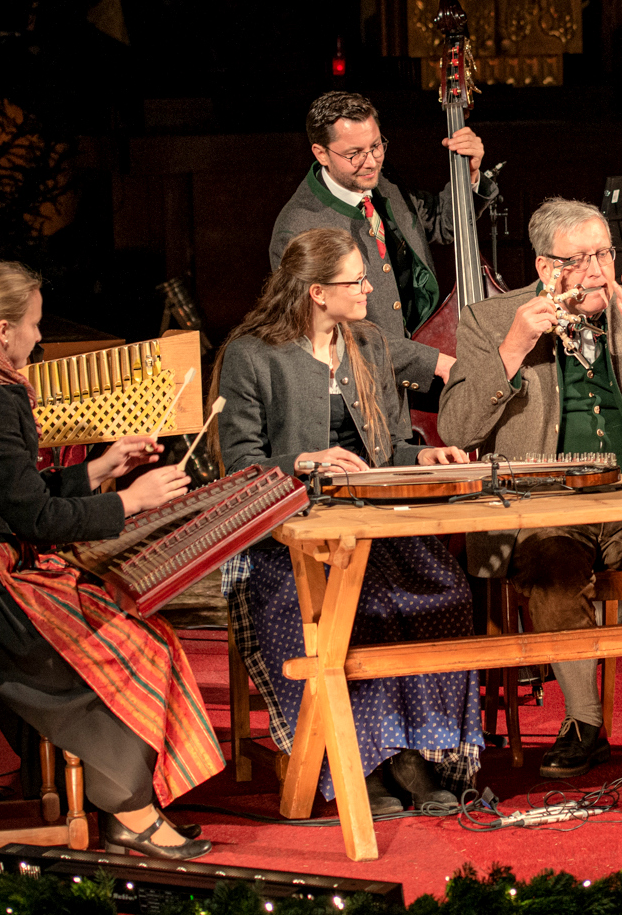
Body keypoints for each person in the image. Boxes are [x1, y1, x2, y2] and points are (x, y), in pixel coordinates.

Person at [0, 262, 221, 860]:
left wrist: (100, 470)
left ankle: (124, 801)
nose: (38, 339)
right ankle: (129, 809)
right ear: (1, 331)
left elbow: (15, 493)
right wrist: (131, 500)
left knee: (136, 627)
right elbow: (36, 520)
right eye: (32, 325)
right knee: (122, 646)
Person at [438, 197, 622, 779]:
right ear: (545, 268)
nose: (597, 271)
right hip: (545, 504)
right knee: (551, 578)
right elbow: (457, 428)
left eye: (604, 254)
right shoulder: (491, 321)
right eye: (580, 259)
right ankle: (583, 722)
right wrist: (513, 349)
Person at [214, 228, 485, 814]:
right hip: (289, 535)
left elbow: (388, 450)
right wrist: (302, 462)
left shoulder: (367, 342)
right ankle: (362, 761)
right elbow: (240, 465)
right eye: (355, 281)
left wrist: (424, 455)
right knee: (349, 611)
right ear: (316, 292)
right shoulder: (252, 353)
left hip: (370, 524)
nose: (368, 289)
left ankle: (418, 755)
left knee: (444, 595)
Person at [270, 90, 499, 391]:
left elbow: (441, 223)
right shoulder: (299, 230)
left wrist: (468, 174)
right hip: (364, 398)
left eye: (376, 146)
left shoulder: (382, 183)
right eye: (355, 153)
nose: (371, 162)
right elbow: (339, 336)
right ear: (321, 153)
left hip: (416, 379)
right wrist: (435, 363)